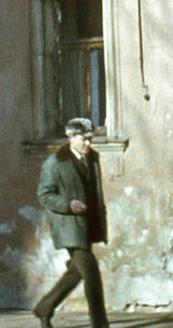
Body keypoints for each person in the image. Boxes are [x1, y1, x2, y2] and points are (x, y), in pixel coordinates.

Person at [33, 117, 109, 328]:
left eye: (90, 139)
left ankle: (44, 308)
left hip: (90, 224)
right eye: (84, 139)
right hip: (70, 228)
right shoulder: (54, 163)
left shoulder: (92, 157)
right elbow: (44, 195)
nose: (88, 144)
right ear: (70, 137)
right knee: (92, 276)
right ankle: (101, 325)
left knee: (76, 273)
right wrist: (68, 203)